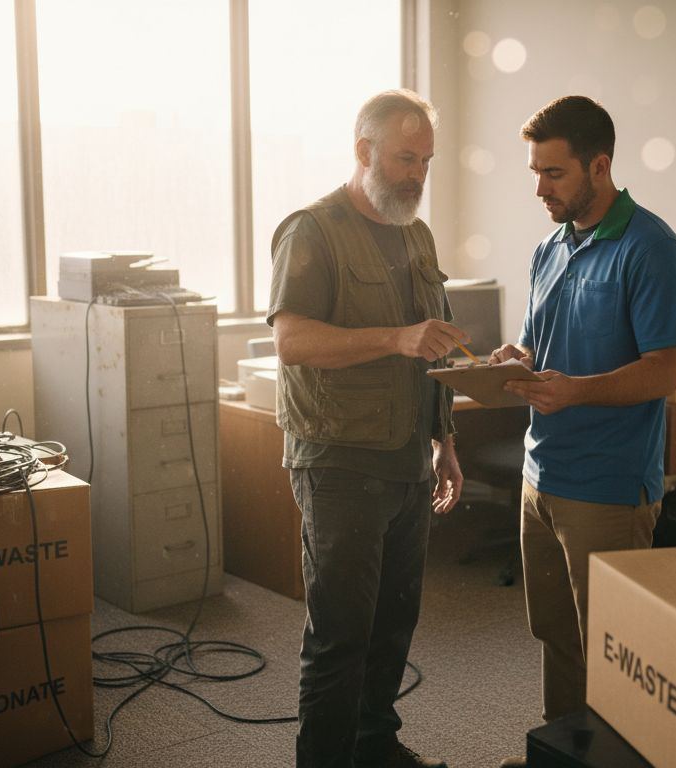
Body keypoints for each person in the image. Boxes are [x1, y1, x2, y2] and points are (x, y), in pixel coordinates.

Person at [490, 95, 676, 767]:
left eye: (553, 174)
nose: (539, 189)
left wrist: (576, 390)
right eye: (535, 173)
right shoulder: (549, 247)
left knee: (614, 651)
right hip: (541, 473)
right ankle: (562, 754)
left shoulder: (652, 248)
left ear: (599, 167)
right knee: (556, 634)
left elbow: (665, 372)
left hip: (607, 484)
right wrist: (514, 360)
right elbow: (536, 345)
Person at [268, 89, 465, 768]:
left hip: (408, 460)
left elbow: (431, 349)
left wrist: (445, 441)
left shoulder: (416, 234)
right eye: (406, 159)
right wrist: (395, 337)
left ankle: (374, 748)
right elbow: (292, 342)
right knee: (341, 635)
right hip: (340, 464)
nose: (418, 174)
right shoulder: (312, 231)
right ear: (364, 151)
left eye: (427, 161)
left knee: (393, 626)